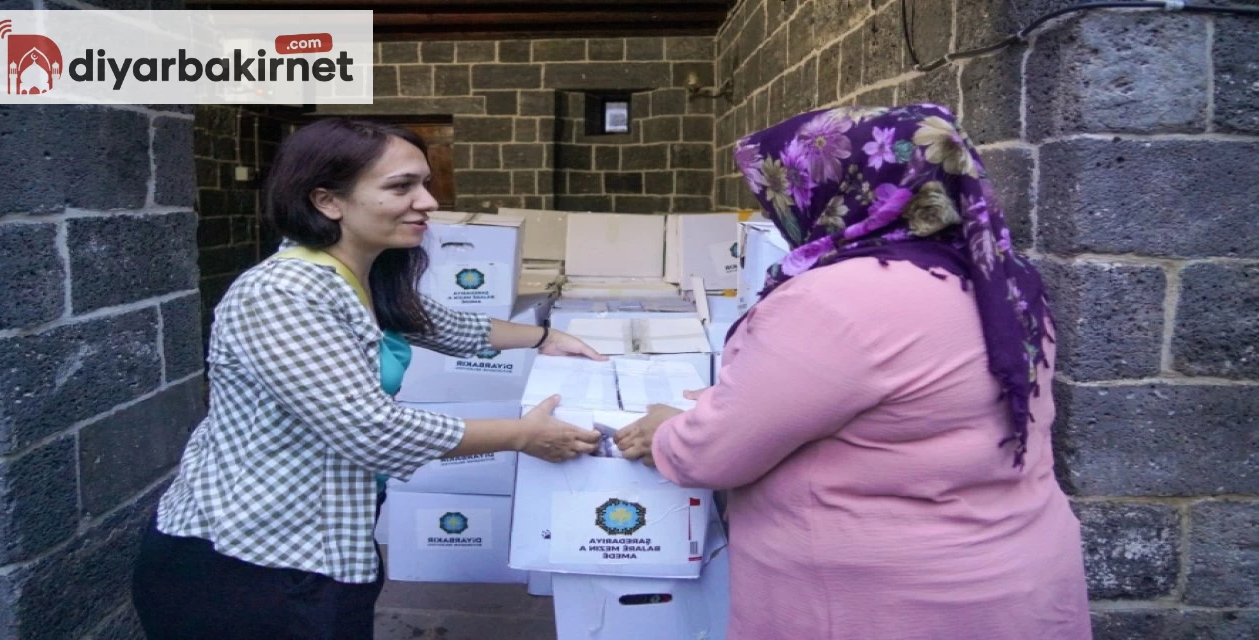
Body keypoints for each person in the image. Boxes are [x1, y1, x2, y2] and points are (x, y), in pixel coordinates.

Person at [616, 104, 1091, 639]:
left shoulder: (835, 298)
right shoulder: (998, 277)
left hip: (886, 605)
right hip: (1012, 582)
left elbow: (715, 451)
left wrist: (667, 430)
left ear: (837, 189)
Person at [131, 118, 602, 639]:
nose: (427, 202)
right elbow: (372, 430)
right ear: (328, 201)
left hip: (326, 542)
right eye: (401, 187)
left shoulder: (361, 274)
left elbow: (447, 324)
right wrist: (522, 436)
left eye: (426, 184)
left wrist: (544, 338)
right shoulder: (285, 292)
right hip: (253, 560)